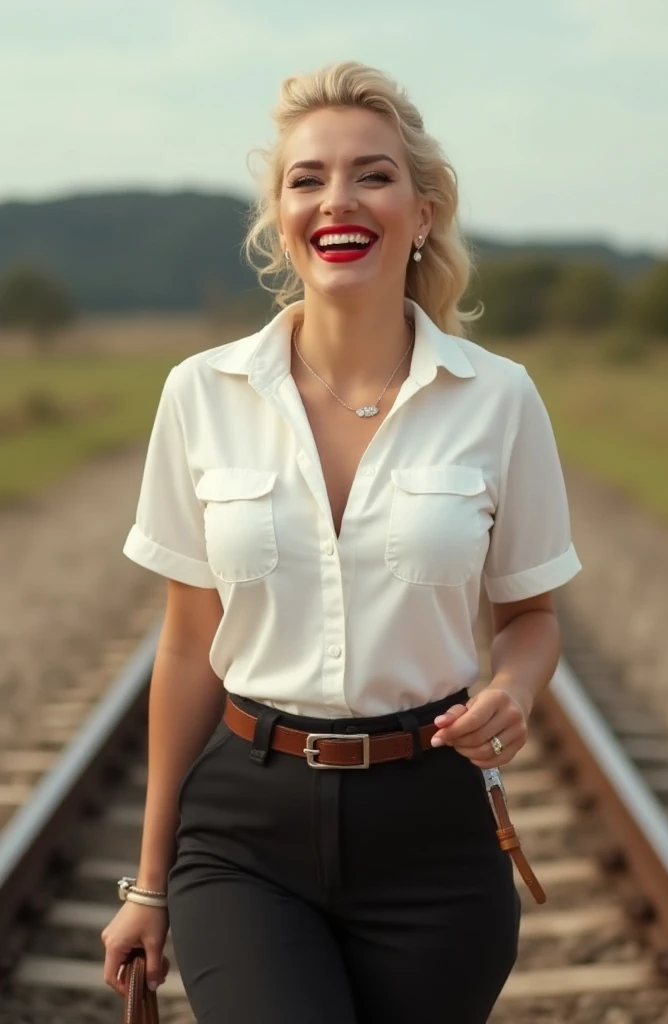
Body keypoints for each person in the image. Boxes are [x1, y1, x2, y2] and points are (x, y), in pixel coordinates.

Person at [101, 60, 582, 1024]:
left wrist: (514, 689)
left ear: (423, 209)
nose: (338, 199)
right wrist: (149, 882)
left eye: (373, 173)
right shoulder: (201, 394)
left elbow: (531, 617)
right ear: (281, 217)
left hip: (435, 833)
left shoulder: (499, 398)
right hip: (244, 832)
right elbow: (189, 646)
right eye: (306, 178)